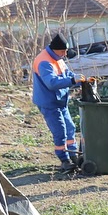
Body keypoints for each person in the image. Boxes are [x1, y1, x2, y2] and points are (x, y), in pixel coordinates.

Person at [30, 32, 80, 170]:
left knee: (70, 127)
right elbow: (51, 83)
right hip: (49, 102)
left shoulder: (58, 58)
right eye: (63, 51)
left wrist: (78, 79)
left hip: (60, 101)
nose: (65, 54)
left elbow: (67, 74)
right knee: (60, 131)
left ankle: (73, 154)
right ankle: (64, 159)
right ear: (55, 49)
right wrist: (72, 80)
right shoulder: (44, 62)